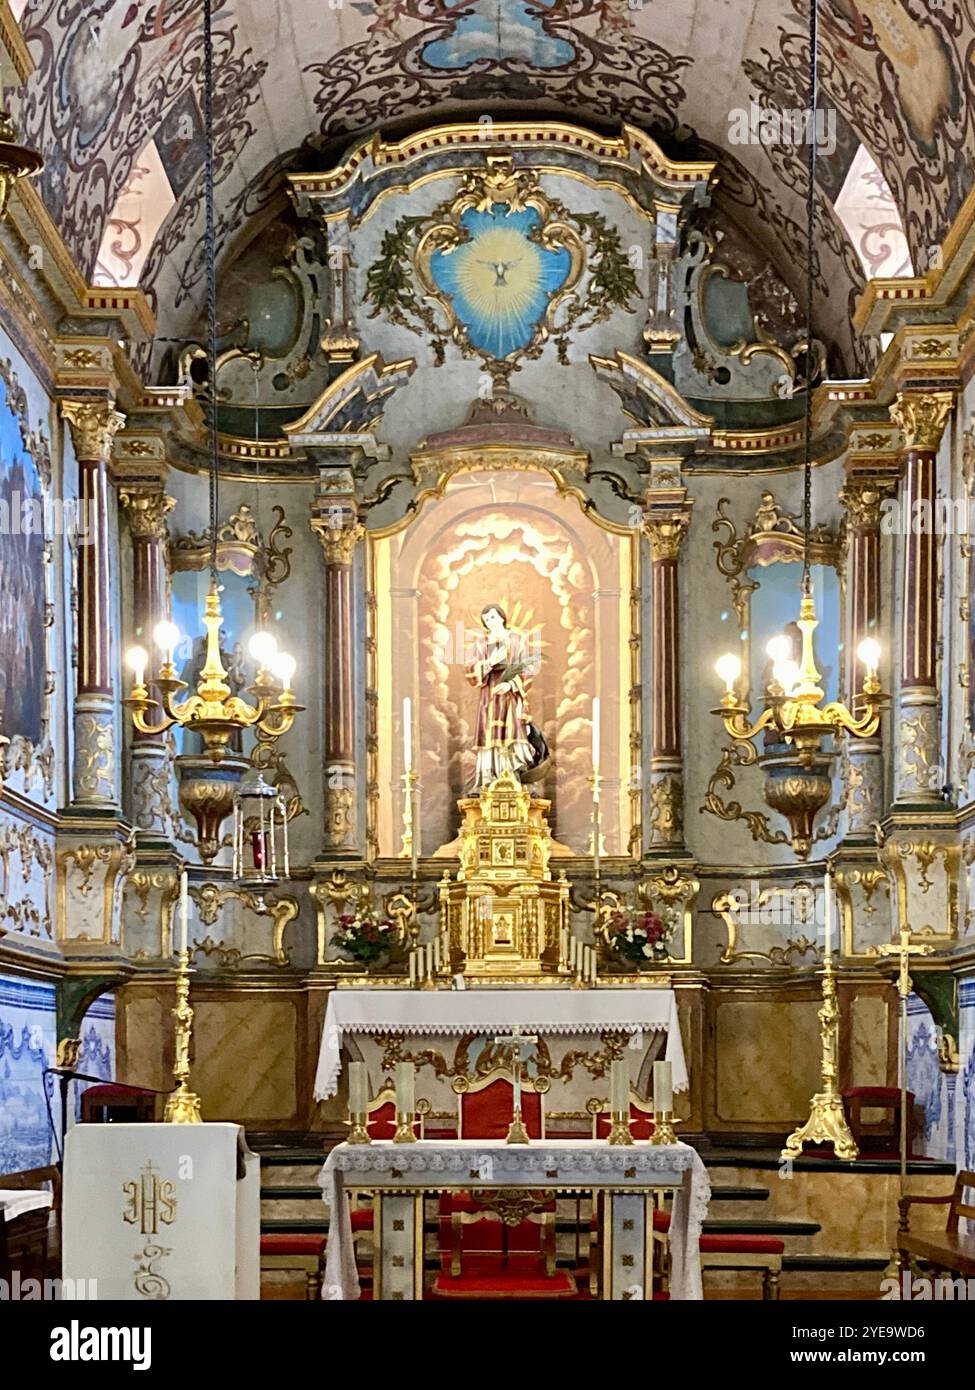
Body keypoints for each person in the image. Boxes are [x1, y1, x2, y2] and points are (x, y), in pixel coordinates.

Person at [465, 604, 541, 791]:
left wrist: (510, 684)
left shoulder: (517, 640)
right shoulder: (481, 644)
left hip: (510, 694)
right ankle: (489, 777)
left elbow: (527, 668)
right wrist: (489, 663)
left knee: (514, 730)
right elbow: (470, 670)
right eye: (487, 619)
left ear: (501, 617)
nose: (490, 622)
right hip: (489, 694)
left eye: (493, 617)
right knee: (489, 732)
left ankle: (515, 775)